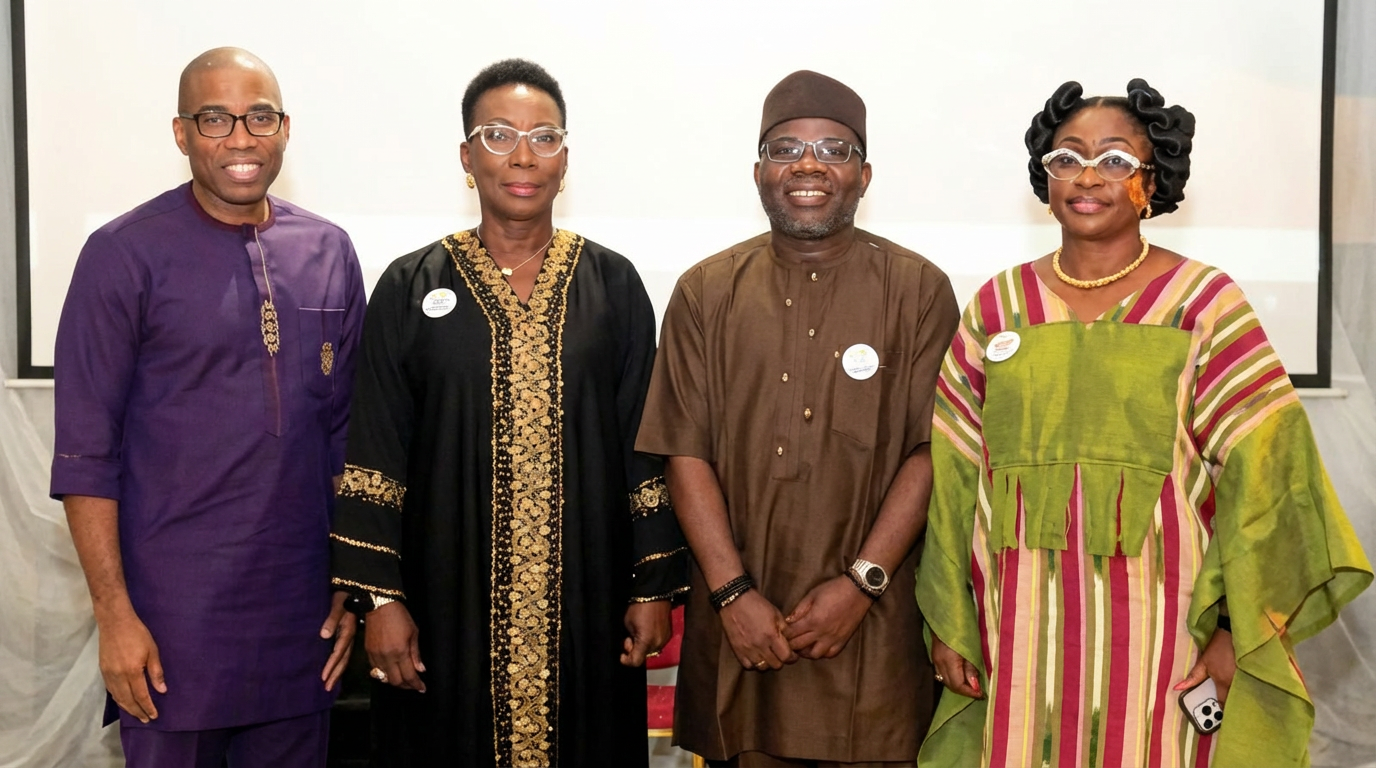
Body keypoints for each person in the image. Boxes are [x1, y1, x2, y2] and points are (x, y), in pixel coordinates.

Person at [915, 79, 1374, 768]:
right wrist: (951, 621)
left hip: (1166, 635)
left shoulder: (1203, 304)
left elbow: (1270, 480)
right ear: (1045, 177)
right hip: (1016, 632)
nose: (1086, 177)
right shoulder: (997, 306)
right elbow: (954, 477)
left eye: (1114, 160)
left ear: (1152, 180)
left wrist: (1236, 630)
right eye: (1066, 158)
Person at [328, 58, 689, 767]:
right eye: (499, 135)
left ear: (565, 160)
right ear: (467, 158)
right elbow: (375, 454)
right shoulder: (408, 286)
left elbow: (643, 450)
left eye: (544, 137)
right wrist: (380, 599)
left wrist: (653, 585)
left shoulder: (613, 285)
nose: (523, 156)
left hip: (587, 609)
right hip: (441, 611)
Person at [50, 47, 366, 767]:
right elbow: (86, 457)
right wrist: (114, 616)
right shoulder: (122, 254)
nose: (241, 139)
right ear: (182, 132)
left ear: (285, 127)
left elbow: (346, 439)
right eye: (215, 119)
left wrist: (352, 583)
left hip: (301, 617)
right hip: (171, 622)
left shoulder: (328, 250)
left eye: (259, 117)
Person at [636, 70, 960, 767]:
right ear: (758, 171)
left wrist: (862, 584)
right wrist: (733, 595)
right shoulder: (705, 292)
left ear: (864, 175)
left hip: (871, 632)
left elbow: (930, 452)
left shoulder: (918, 290)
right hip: (741, 630)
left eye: (834, 150)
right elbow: (684, 452)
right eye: (785, 149)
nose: (808, 165)